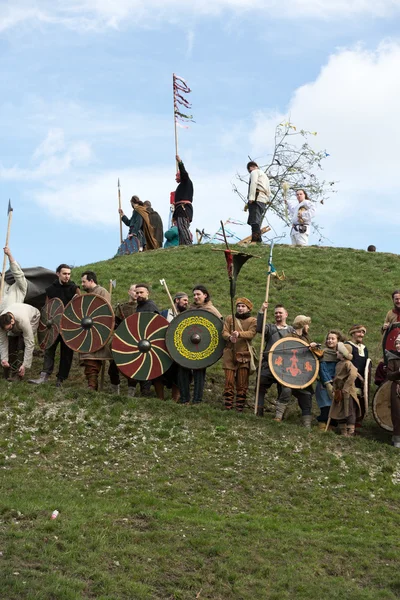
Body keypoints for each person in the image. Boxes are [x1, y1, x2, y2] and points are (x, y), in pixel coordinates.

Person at [28, 264, 80, 387]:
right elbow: (48, 308)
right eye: (64, 273)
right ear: (58, 274)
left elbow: (79, 307)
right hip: (54, 325)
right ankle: (44, 376)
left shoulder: (74, 289)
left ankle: (60, 380)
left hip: (68, 326)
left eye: (69, 274)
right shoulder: (51, 289)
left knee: (66, 353)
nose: (67, 276)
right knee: (49, 349)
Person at [177, 285, 222, 404]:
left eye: (198, 294)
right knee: (183, 370)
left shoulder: (211, 310)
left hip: (204, 347)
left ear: (205, 295)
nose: (195, 297)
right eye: (194, 295)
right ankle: (184, 398)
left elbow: (219, 328)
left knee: (199, 372)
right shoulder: (191, 308)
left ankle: (197, 400)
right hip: (187, 344)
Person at [256, 303, 294, 418]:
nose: (278, 315)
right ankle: (259, 409)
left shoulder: (292, 330)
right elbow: (259, 328)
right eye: (276, 313)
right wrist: (261, 311)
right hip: (269, 364)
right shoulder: (270, 328)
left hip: (285, 366)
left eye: (280, 313)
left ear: (286, 314)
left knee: (285, 389)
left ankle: (279, 414)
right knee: (260, 383)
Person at [222, 297, 257, 411]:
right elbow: (224, 332)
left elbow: (251, 333)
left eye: (243, 306)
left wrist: (239, 334)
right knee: (229, 380)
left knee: (242, 382)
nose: (240, 308)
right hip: (229, 353)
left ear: (248, 308)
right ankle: (228, 405)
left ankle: (239, 407)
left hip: (244, 354)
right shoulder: (229, 318)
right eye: (238, 306)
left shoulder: (252, 321)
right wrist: (229, 337)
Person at [288, 315, 323, 428]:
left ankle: (306, 425)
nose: (308, 327)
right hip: (288, 374)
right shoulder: (289, 337)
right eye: (307, 324)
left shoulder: (306, 338)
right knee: (285, 392)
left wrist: (313, 348)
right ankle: (279, 417)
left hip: (302, 374)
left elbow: (316, 356)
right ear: (302, 325)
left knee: (307, 396)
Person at [80, 271, 112, 391]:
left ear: (91, 281)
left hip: (98, 331)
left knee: (94, 357)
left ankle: (92, 386)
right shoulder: (87, 294)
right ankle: (91, 385)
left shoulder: (101, 292)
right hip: (87, 331)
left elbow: (105, 312)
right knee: (88, 357)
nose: (82, 284)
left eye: (84, 281)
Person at [0, 303, 40, 380]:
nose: (7, 331)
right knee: (11, 341)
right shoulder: (2, 323)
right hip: (17, 315)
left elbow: (30, 343)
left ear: (12, 321)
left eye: (9, 328)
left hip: (33, 317)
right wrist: (4, 359)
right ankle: (11, 369)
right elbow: (3, 342)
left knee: (23, 343)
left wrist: (25, 365)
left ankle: (20, 372)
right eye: (6, 329)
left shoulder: (23, 320)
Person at [315, 330, 344, 430]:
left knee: (335, 407)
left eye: (333, 338)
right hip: (324, 384)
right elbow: (322, 369)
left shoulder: (340, 355)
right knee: (326, 407)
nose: (330, 340)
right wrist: (328, 384)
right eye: (328, 338)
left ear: (338, 341)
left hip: (337, 385)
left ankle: (331, 427)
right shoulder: (323, 353)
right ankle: (322, 426)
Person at [330, 342, 361, 437]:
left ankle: (350, 432)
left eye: (338, 352)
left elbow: (353, 374)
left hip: (348, 392)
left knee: (349, 410)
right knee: (339, 410)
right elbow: (337, 378)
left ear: (343, 354)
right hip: (339, 392)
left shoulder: (348, 363)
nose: (336, 353)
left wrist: (346, 387)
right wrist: (334, 388)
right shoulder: (339, 364)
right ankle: (343, 431)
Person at [347, 324, 369, 431]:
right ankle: (350, 428)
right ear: (353, 333)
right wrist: (357, 375)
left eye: (363, 332)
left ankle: (358, 424)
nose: (362, 334)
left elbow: (366, 366)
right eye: (359, 332)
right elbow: (347, 363)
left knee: (361, 401)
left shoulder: (364, 349)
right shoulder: (348, 346)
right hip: (350, 379)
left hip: (361, 381)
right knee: (352, 403)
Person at [246, 161, 271, 244]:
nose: (250, 172)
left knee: (254, 220)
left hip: (256, 197)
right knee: (255, 219)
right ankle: (258, 239)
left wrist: (251, 197)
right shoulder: (265, 176)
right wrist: (267, 200)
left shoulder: (254, 172)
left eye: (249, 170)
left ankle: (255, 240)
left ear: (252, 167)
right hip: (263, 199)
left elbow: (253, 183)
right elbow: (268, 190)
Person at [173, 155, 193, 246]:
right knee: (180, 229)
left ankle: (188, 244)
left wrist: (180, 162)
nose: (176, 176)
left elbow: (184, 173)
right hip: (179, 210)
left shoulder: (186, 181)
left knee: (183, 227)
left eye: (177, 174)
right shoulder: (181, 186)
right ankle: (182, 246)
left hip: (183, 209)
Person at [0, 246, 28, 313]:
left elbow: (17, 273)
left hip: (13, 319)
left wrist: (9, 255)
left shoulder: (21, 287)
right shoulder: (3, 286)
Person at [385, 334, 400, 448]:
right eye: (397, 343)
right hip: (397, 387)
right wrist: (399, 372)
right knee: (397, 413)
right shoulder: (392, 358)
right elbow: (389, 375)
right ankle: (397, 439)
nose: (398, 345)